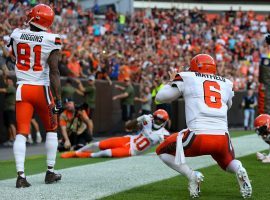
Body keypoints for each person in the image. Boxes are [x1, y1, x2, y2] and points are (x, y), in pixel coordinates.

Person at [155, 54, 252, 198]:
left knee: (162, 151)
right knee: (228, 162)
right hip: (222, 138)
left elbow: (160, 98)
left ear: (194, 67)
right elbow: (228, 105)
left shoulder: (188, 77)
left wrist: (171, 81)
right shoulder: (226, 83)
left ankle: (192, 175)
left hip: (198, 135)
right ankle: (239, 169)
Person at [10, 4, 63, 188]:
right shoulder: (52, 39)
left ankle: (21, 176)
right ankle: (50, 172)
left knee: (22, 133)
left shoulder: (16, 34)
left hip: (22, 88)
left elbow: (14, 57)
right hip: (42, 89)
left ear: (35, 18)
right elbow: (54, 72)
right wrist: (59, 98)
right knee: (51, 129)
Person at [61, 109, 170, 158]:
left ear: (164, 122)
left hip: (131, 151)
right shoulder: (147, 120)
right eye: (156, 119)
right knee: (99, 144)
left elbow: (171, 147)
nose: (156, 121)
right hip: (128, 139)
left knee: (106, 153)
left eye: (160, 120)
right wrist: (138, 119)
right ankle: (75, 152)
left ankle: (80, 155)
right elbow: (127, 127)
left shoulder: (164, 134)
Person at [0, 77, 16, 147]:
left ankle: (15, 139)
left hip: (10, 109)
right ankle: (11, 139)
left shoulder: (12, 88)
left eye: (9, 81)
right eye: (7, 81)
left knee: (11, 124)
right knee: (8, 125)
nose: (8, 82)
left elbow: (3, 90)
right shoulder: (8, 87)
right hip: (7, 109)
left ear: (12, 82)